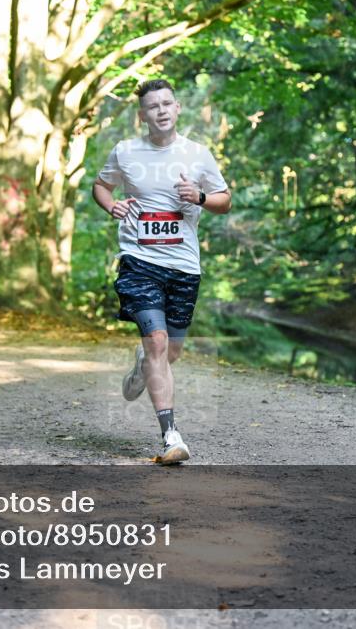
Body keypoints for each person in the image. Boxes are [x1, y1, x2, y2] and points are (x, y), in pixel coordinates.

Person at [92, 79, 232, 465]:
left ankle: (143, 367)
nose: (161, 111)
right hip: (139, 261)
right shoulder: (126, 151)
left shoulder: (198, 154)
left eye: (167, 103)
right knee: (156, 340)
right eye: (153, 106)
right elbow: (101, 186)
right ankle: (171, 436)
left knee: (171, 351)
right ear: (143, 115)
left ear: (178, 108)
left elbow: (224, 201)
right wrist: (112, 206)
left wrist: (199, 197)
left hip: (183, 265)